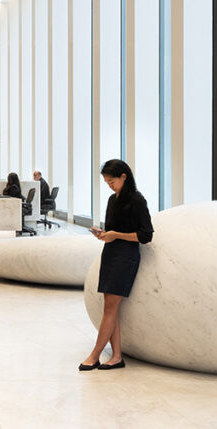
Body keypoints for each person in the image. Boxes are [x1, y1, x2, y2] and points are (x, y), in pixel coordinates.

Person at [80, 158, 153, 372]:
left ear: (124, 177)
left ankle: (95, 355)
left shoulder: (137, 200)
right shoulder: (113, 200)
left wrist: (116, 235)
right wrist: (103, 235)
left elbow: (146, 235)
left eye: (112, 181)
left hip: (126, 256)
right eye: (106, 182)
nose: (110, 185)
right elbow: (111, 229)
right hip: (110, 253)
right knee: (109, 307)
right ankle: (116, 356)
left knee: (110, 308)